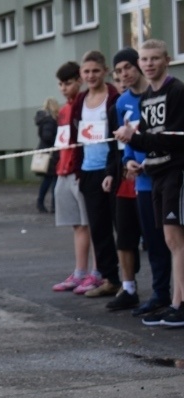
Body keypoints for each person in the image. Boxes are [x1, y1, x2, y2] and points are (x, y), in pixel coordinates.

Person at [114, 39, 184, 326]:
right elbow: (150, 137)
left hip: (176, 173)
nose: (149, 63)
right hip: (154, 173)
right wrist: (137, 160)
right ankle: (175, 301)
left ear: (166, 60)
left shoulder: (177, 90)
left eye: (155, 58)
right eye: (144, 59)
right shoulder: (144, 99)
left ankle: (179, 304)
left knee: (174, 240)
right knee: (170, 242)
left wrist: (136, 138)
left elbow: (173, 137)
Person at [103, 48, 156, 312]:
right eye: (119, 70)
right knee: (124, 236)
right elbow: (115, 145)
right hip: (127, 178)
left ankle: (165, 292)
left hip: (158, 177)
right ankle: (129, 288)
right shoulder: (119, 104)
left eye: (128, 67)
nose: (124, 74)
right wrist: (117, 168)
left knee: (158, 239)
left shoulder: (158, 96)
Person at [70, 51, 121, 298]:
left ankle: (128, 280)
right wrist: (78, 171)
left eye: (95, 71)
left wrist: (115, 168)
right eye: (86, 71)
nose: (91, 75)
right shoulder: (80, 101)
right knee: (99, 229)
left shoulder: (114, 98)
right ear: (81, 74)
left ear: (105, 72)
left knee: (121, 227)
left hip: (112, 169)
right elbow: (75, 138)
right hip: (89, 171)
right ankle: (109, 278)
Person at [51, 62, 98, 293]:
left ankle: (97, 272)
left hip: (82, 170)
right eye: (60, 84)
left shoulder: (84, 106)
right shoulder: (63, 110)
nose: (63, 88)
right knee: (77, 224)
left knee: (93, 223)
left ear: (79, 81)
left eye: (68, 83)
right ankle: (80, 272)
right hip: (64, 170)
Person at [34, 98, 60, 213]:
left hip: (45, 152)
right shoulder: (50, 120)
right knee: (53, 179)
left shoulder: (43, 120)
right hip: (51, 153)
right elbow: (47, 136)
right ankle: (53, 205)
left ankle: (41, 203)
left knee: (48, 179)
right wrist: (59, 140)